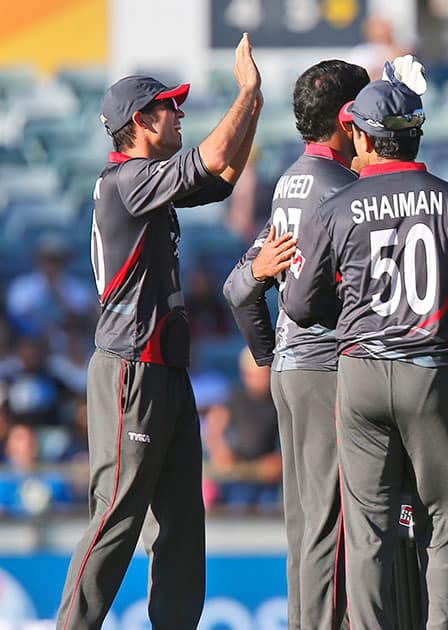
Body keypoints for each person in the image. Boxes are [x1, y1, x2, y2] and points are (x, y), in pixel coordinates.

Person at [281, 67, 448, 628]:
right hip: (433, 373)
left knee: (367, 531)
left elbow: (300, 305)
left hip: (358, 372)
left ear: (359, 135)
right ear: (417, 133)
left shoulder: (336, 207)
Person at [56, 34, 262, 630]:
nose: (179, 114)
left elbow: (221, 177)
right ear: (141, 122)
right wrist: (245, 93)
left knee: (180, 523)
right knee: (117, 515)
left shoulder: (142, 180)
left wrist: (255, 106)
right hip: (131, 371)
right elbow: (207, 158)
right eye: (170, 106)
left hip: (162, 371)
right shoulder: (126, 180)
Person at [223, 58, 368, 630]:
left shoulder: (290, 182)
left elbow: (240, 289)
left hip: (291, 368)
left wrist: (270, 355)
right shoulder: (348, 191)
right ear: (348, 118)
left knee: (306, 521)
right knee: (335, 522)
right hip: (328, 369)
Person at [202, 347, 282, 510]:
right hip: (239, 473)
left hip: (267, 476)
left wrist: (279, 460)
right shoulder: (236, 397)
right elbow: (214, 426)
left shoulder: (277, 400)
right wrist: (220, 451)